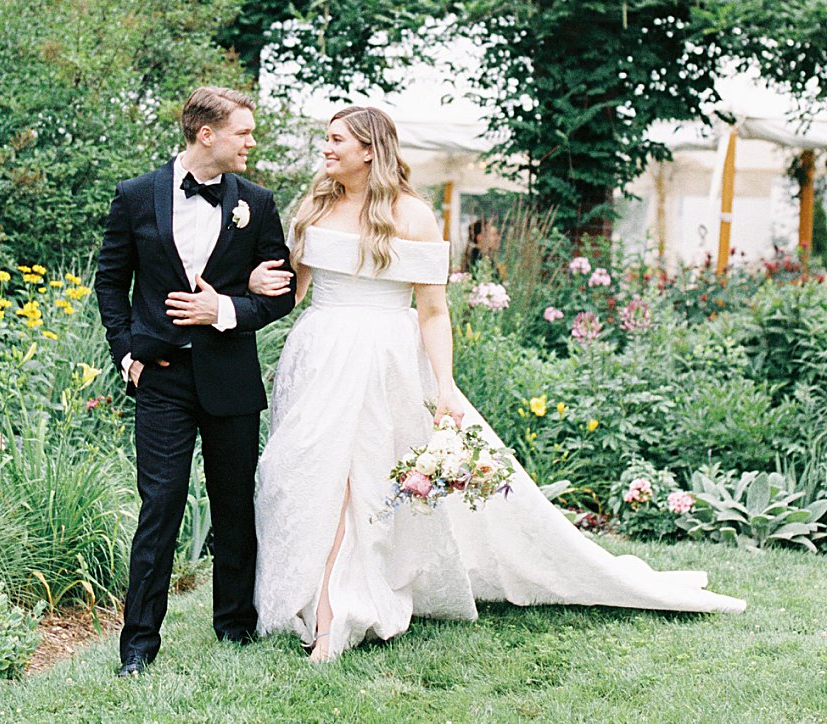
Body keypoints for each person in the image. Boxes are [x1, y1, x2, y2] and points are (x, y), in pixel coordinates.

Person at [252, 105, 743, 661]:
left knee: (357, 483)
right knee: (303, 473)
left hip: (383, 358)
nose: (326, 148)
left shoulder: (410, 215)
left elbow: (433, 313)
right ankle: (312, 597)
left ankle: (332, 617)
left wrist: (445, 385)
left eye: (337, 139)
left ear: (370, 149)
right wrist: (252, 281)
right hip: (318, 356)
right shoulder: (316, 205)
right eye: (327, 139)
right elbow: (290, 293)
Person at [93, 86, 295, 674]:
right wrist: (125, 350)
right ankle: (137, 648)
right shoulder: (135, 196)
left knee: (235, 505)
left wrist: (226, 309)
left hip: (229, 375)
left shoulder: (256, 201)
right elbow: (111, 282)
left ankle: (234, 627)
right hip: (160, 377)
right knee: (160, 504)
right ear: (207, 134)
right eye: (243, 132)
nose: (251, 142)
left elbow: (280, 296)